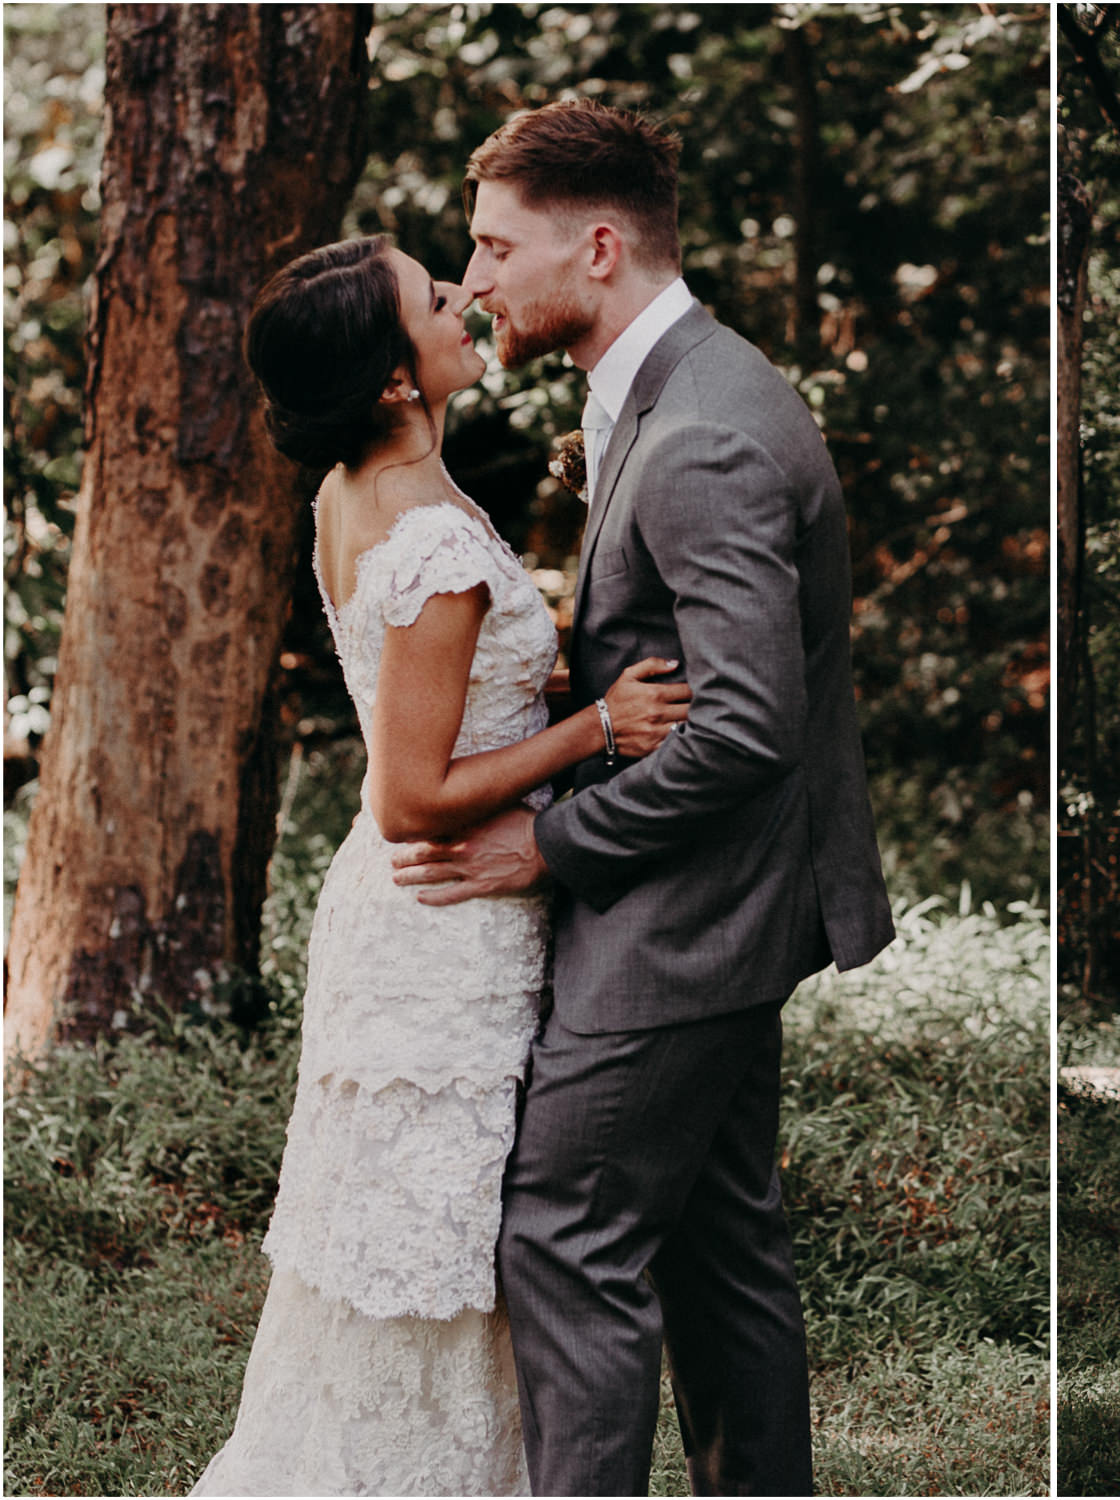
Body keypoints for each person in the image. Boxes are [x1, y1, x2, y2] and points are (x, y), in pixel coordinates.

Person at [389, 99, 894, 1496]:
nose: (476, 278)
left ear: (597, 246)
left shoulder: (704, 435)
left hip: (686, 920)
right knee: (718, 1246)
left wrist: (544, 844)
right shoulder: (679, 393)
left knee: (563, 1230)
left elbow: (742, 730)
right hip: (727, 908)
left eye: (495, 246)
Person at [193, 235, 691, 1494]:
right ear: (394, 383)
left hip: (400, 913)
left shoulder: (361, 492)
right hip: (444, 914)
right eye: (433, 298)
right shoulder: (432, 545)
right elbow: (412, 795)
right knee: (439, 1250)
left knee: (408, 1252)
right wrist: (596, 725)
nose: (466, 297)